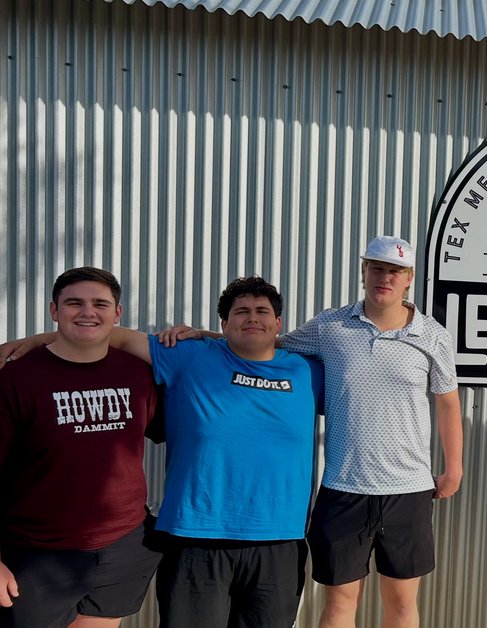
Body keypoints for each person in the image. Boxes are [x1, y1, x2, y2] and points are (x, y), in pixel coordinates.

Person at [2, 276, 322, 627]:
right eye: (241, 311)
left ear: (278, 324)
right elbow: (112, 334)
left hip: (279, 538)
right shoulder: (190, 356)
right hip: (196, 535)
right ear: (224, 323)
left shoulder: (307, 370)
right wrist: (34, 342)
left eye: (262, 312)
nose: (252, 318)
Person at [277, 236, 462, 628]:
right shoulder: (331, 326)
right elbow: (267, 345)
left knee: (400, 604)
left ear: (409, 278)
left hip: (409, 488)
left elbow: (448, 402)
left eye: (395, 271)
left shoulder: (432, 336)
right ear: (364, 272)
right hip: (345, 486)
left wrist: (454, 467)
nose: (384, 278)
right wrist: (206, 339)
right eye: (376, 268)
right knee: (341, 603)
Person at [0, 267, 161, 628]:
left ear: (116, 314)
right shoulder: (16, 379)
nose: (88, 312)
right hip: (38, 554)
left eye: (100, 304)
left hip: (123, 545)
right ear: (54, 310)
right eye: (74, 303)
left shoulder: (138, 374)